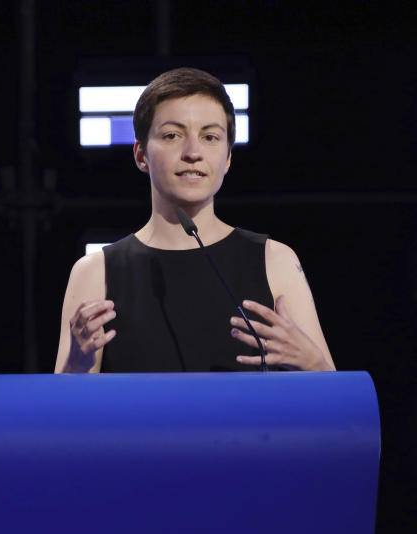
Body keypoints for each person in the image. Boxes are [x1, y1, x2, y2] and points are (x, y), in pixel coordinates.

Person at [55, 67, 334, 374]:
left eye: (210, 137)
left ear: (227, 157)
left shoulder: (275, 260)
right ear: (141, 154)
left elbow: (337, 409)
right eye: (172, 135)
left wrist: (313, 364)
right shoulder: (95, 272)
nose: (193, 152)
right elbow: (62, 416)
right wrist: (76, 365)